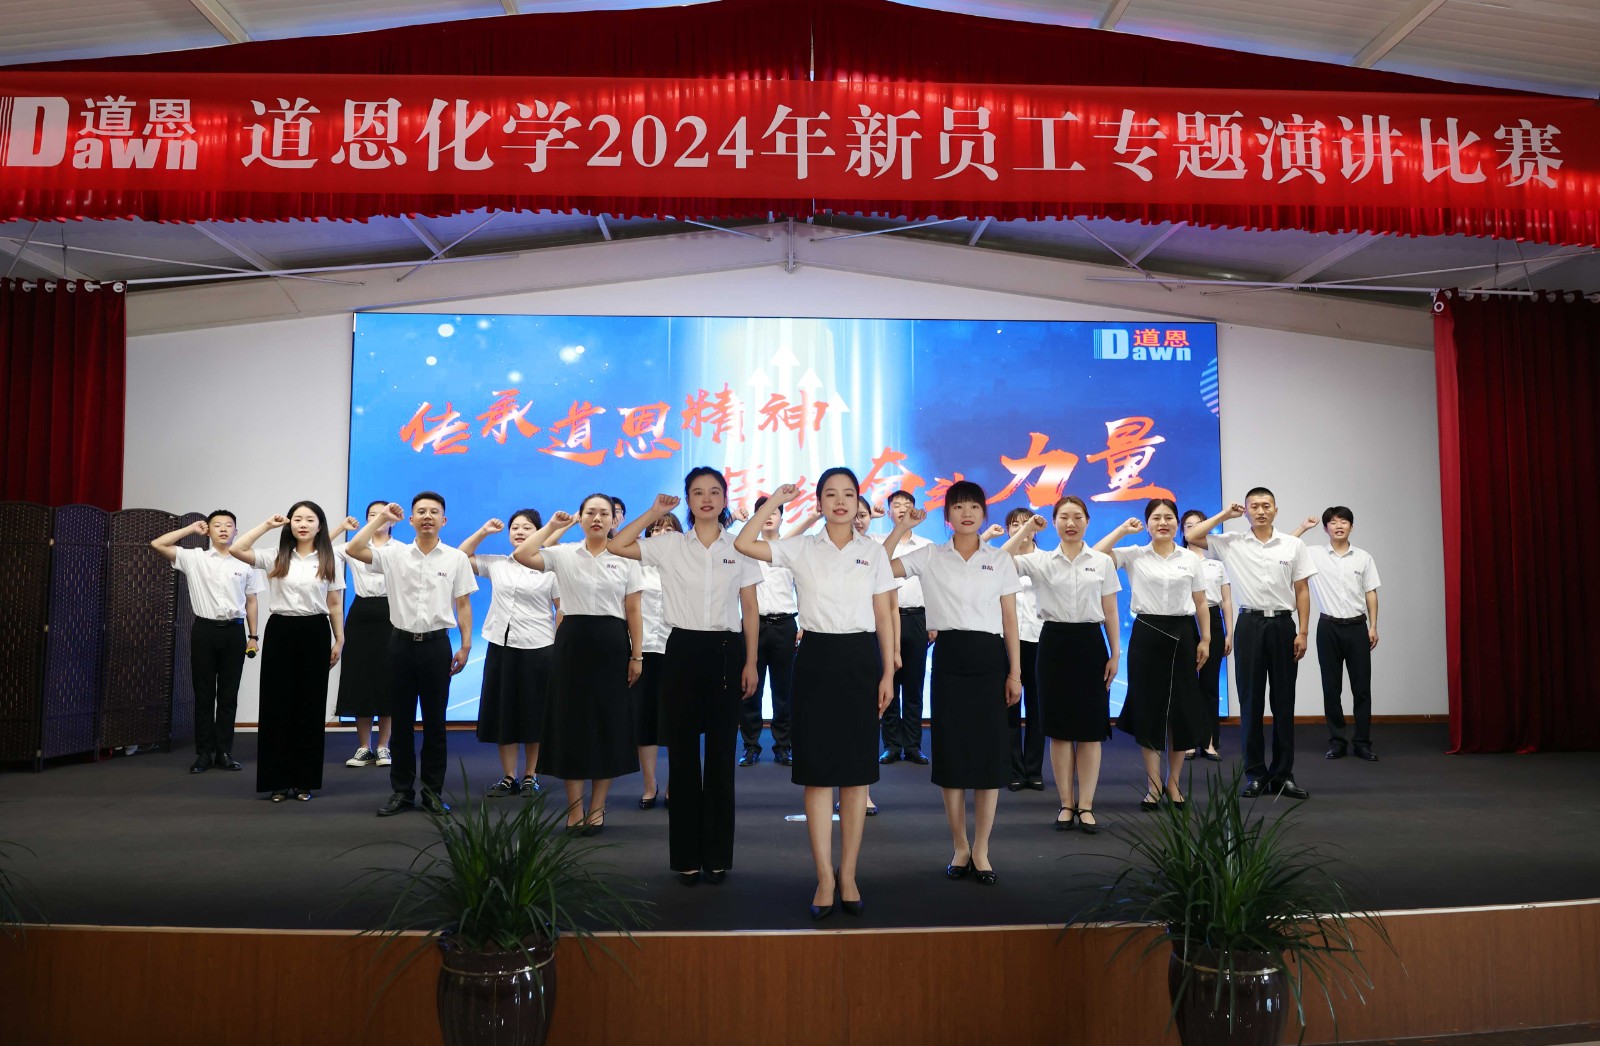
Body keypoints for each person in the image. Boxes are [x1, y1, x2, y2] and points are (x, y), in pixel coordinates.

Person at [735, 470, 896, 921]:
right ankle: (825, 876)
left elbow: (884, 614)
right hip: (816, 659)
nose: (840, 501)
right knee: (819, 774)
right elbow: (744, 543)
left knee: (857, 775)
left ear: (858, 501)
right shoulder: (801, 547)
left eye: (848, 494)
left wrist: (888, 671)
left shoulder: (873, 552)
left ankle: (850, 874)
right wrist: (773, 502)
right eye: (830, 494)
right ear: (819, 503)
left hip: (860, 659)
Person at [612, 469, 760, 885]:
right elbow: (618, 545)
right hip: (681, 650)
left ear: (725, 498)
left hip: (728, 651)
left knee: (721, 758)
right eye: (697, 492)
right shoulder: (670, 544)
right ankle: (686, 859)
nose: (706, 498)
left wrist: (751, 661)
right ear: (688, 501)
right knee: (681, 756)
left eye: (714, 491)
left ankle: (717, 857)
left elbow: (750, 608)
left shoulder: (740, 547)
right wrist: (653, 512)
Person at [885, 483, 1021, 885]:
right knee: (952, 755)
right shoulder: (930, 555)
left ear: (984, 513)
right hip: (948, 658)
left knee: (988, 756)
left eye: (974, 506)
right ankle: (960, 846)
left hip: (990, 660)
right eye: (958, 506)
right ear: (947, 515)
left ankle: (982, 849)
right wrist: (901, 527)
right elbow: (876, 566)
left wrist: (1015, 673)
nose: (967, 513)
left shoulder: (1000, 559)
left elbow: (1010, 620)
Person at [513, 494, 643, 832]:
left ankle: (597, 809)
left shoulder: (627, 557)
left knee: (606, 725)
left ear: (615, 519)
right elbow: (522, 554)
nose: (597, 518)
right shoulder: (564, 553)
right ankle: (574, 811)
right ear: (580, 518)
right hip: (572, 643)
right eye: (590, 513)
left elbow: (633, 609)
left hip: (613, 643)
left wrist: (637, 655)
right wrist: (553, 526)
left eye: (604, 513)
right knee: (571, 725)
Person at [344, 492, 477, 817]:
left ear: (443, 520)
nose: (427, 516)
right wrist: (381, 517)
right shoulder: (395, 554)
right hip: (399, 645)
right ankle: (402, 792)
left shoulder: (455, 558)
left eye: (434, 512)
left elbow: (462, 603)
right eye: (421, 512)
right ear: (412, 520)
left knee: (435, 724)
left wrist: (466, 645)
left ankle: (432, 793)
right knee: (401, 722)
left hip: (436, 646)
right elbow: (354, 549)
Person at [1185, 489, 1316, 800]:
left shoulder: (1293, 545)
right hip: (1249, 625)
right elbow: (1192, 535)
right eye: (1253, 506)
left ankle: (1283, 775)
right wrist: (1223, 516)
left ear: (1275, 510)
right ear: (1245, 511)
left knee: (1284, 702)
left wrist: (1303, 632)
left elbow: (1302, 590)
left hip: (1283, 625)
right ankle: (1256, 774)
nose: (1260, 511)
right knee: (1251, 702)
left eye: (1266, 505)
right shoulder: (1232, 543)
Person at [1002, 498, 1121, 832]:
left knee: (1091, 731)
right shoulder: (1039, 560)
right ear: (1053, 522)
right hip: (1052, 643)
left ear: (1087, 521)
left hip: (1091, 643)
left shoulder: (1101, 561)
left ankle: (1087, 805)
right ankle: (1066, 804)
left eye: (1077, 517)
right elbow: (1001, 560)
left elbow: (1110, 610)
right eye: (1064, 517)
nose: (1071, 523)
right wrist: (1026, 529)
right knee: (1059, 730)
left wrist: (1115, 654)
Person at [1095, 500, 1210, 810]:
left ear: (1177, 522)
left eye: (1169, 517)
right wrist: (1122, 530)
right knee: (1149, 710)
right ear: (1147, 524)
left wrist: (1206, 638)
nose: (1163, 523)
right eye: (1156, 518)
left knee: (1180, 711)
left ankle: (1174, 783)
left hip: (1183, 634)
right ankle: (1153, 785)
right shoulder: (1135, 554)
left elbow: (1201, 602)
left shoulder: (1190, 558)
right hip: (1147, 634)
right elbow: (1095, 556)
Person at [228, 503, 345, 802]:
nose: (303, 524)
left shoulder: (329, 558)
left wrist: (339, 640)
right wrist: (267, 525)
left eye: (310, 519)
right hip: (281, 629)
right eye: (297, 519)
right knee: (276, 706)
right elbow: (237, 549)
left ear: (320, 526)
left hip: (316, 631)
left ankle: (304, 781)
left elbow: (334, 604)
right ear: (289, 524)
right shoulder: (275, 556)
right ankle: (277, 782)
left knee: (310, 706)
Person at [460, 509, 563, 799]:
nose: (519, 532)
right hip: (501, 646)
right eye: (515, 528)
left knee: (534, 713)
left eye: (527, 528)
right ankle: (509, 776)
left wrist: (559, 645)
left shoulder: (550, 568)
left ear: (538, 533)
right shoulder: (498, 564)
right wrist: (483, 532)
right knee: (503, 712)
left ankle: (531, 775)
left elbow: (562, 609)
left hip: (539, 647)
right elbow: (460, 557)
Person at [151, 510, 262, 774]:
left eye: (229, 525)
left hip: (235, 632)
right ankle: (203, 753)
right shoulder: (194, 558)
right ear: (208, 530)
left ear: (236, 531)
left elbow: (252, 601)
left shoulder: (246, 561)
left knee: (228, 695)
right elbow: (158, 544)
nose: (223, 529)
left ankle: (224, 751)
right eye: (217, 525)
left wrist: (253, 636)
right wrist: (190, 529)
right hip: (204, 631)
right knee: (203, 695)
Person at [1292, 508, 1382, 762]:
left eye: (1344, 521)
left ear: (1351, 527)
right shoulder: (1314, 555)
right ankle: (1337, 741)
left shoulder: (1363, 558)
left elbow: (1371, 592)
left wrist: (1373, 626)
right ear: (1325, 529)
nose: (1339, 525)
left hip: (1357, 627)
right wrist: (1303, 527)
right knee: (1331, 688)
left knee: (1361, 688)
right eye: (1333, 522)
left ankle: (1362, 742)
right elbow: (1286, 547)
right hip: (1328, 628)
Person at [331, 502, 396, 771]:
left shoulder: (401, 549)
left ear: (393, 520)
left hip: (392, 613)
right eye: (373, 515)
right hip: (360, 614)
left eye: (384, 514)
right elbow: (318, 550)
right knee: (360, 679)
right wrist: (341, 528)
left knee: (388, 680)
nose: (379, 518)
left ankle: (383, 746)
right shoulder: (352, 547)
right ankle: (363, 747)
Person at [989, 510, 1045, 791]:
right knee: (1009, 705)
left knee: (1037, 707)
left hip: (1039, 638)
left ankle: (1034, 770)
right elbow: (1001, 558)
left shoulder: (1047, 559)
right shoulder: (1001, 558)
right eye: (1015, 524)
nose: (1021, 528)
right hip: (1006, 639)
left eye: (1027, 524)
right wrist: (1024, 530)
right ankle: (1013, 769)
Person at [742, 495, 799, 768]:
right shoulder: (744, 550)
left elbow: (804, 589)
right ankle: (750, 746)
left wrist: (805, 625)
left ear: (781, 518)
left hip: (785, 626)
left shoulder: (790, 550)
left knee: (783, 690)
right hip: (753, 626)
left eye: (774, 512)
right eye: (763, 511)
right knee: (750, 689)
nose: (768, 516)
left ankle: (783, 746)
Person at [879, 490, 932, 767]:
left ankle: (912, 745)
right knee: (887, 681)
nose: (902, 508)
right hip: (885, 620)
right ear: (889, 512)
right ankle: (890, 745)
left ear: (915, 510)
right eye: (896, 505)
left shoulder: (926, 546)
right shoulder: (879, 543)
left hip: (917, 618)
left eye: (907, 504)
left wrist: (933, 621)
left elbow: (933, 585)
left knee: (914, 685)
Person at [634, 511, 681, 806]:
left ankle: (675, 785)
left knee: (677, 722)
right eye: (657, 529)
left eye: (669, 529)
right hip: (642, 651)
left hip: (677, 650)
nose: (662, 533)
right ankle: (649, 785)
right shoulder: (637, 564)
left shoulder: (687, 565)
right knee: (645, 721)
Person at [1181, 509, 1233, 762]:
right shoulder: (1178, 559)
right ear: (1182, 532)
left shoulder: (1216, 562)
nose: (1193, 529)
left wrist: (1229, 633)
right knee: (1187, 685)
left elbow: (1226, 600)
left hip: (1213, 620)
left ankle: (1209, 741)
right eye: (1188, 526)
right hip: (1185, 621)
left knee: (1210, 685)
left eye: (1198, 524)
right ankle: (1188, 741)